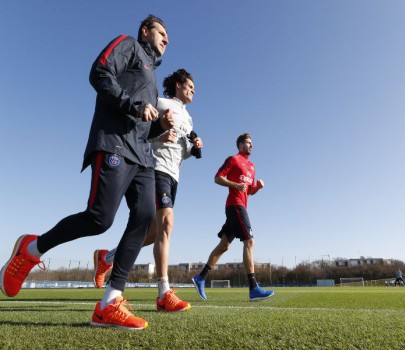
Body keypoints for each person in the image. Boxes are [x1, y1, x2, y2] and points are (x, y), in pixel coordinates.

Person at [0, 15, 173, 330]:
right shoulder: (129, 45)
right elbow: (99, 73)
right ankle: (31, 248)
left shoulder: (152, 77)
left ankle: (109, 303)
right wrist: (134, 105)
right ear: (146, 31)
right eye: (162, 32)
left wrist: (160, 127)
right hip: (114, 146)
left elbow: (142, 126)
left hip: (142, 158)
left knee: (146, 215)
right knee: (99, 218)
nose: (167, 39)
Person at [92, 69, 203, 312]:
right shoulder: (161, 102)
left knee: (152, 232)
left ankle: (107, 258)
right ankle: (164, 291)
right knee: (167, 222)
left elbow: (177, 147)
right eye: (190, 85)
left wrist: (192, 148)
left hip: (174, 175)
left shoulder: (189, 117)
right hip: (156, 168)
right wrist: (160, 135)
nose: (193, 89)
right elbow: (141, 132)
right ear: (177, 85)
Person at [192, 133, 275, 301]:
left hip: (241, 206)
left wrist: (257, 187)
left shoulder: (252, 166)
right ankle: (253, 288)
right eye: (248, 143)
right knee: (249, 241)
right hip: (234, 205)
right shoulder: (233, 159)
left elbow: (249, 191)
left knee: (224, 246)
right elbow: (217, 178)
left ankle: (200, 277)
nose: (251, 146)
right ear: (240, 145)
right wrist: (235, 184)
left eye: (252, 143)